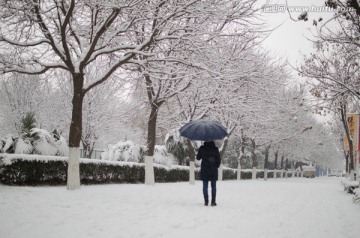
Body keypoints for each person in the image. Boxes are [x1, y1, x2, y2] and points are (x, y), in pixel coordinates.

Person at [196, 141, 221, 206]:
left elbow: (198, 158)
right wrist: (216, 165)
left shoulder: (202, 148)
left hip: (205, 170)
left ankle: (206, 201)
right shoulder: (215, 149)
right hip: (213, 170)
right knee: (214, 186)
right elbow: (218, 160)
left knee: (205, 186)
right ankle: (213, 201)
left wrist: (200, 150)